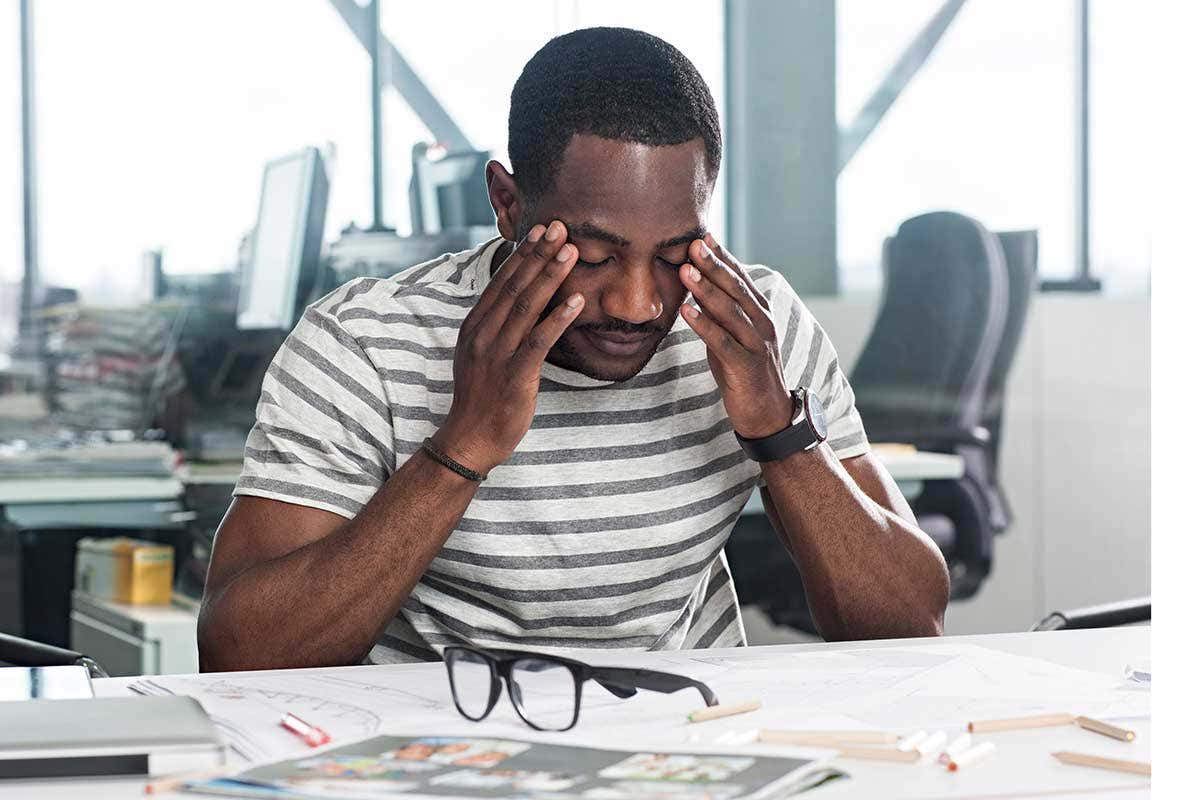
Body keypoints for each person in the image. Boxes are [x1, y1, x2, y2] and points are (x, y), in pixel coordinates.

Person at [198, 27, 949, 672]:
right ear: (507, 203)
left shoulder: (756, 325)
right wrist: (463, 444)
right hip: (432, 750)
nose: (637, 304)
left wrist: (779, 432)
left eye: (675, 253)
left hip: (687, 741)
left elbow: (910, 627)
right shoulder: (361, 342)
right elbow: (239, 659)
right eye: (591, 254)